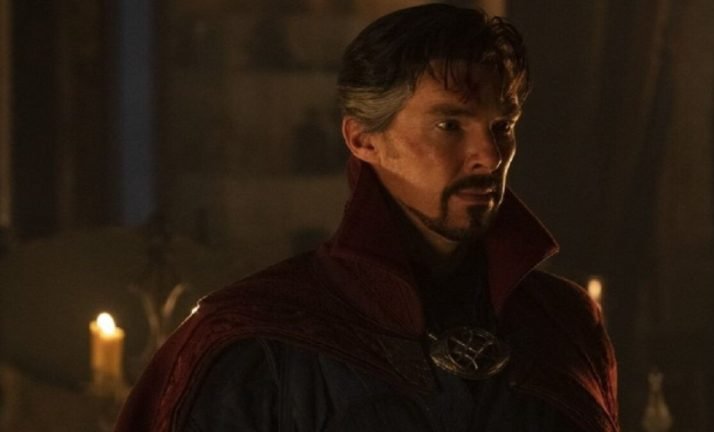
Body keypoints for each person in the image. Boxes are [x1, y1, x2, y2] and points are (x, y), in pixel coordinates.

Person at [115, 4, 619, 431]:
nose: (489, 155)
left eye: (502, 125)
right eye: (450, 124)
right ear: (363, 140)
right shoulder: (257, 340)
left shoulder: (562, 324)